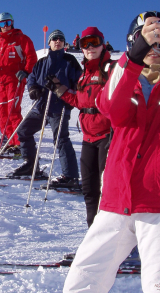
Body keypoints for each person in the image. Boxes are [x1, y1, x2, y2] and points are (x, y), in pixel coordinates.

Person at [62, 11, 160, 293]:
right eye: (148, 39)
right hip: (115, 202)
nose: (156, 47)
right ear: (134, 43)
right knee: (81, 284)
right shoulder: (122, 81)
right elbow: (109, 107)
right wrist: (132, 58)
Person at [46, 27, 114, 225]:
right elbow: (80, 101)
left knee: (107, 190)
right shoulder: (85, 74)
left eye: (94, 42)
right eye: (85, 43)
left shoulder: (111, 69)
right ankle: (93, 237)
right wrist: (60, 89)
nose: (90, 47)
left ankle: (117, 242)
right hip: (88, 138)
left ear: (103, 44)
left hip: (108, 136)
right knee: (89, 190)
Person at [8, 30, 82, 187]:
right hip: (41, 106)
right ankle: (31, 165)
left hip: (59, 106)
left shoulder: (70, 61)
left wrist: (71, 97)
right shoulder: (41, 62)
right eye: (54, 39)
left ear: (64, 43)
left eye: (61, 39)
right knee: (23, 131)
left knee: (61, 139)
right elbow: (32, 78)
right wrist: (33, 89)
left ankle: (70, 176)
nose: (58, 41)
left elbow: (79, 82)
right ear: (49, 43)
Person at [0, 12, 37, 153]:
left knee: (13, 111)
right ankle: (10, 141)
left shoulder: (21, 39)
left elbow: (31, 56)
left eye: (7, 23)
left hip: (15, 80)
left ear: (12, 23)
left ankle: (20, 144)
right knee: (3, 113)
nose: (5, 26)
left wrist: (26, 71)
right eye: (2, 24)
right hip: (1, 82)